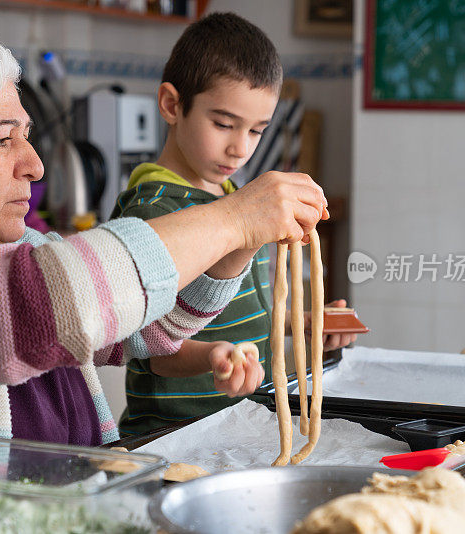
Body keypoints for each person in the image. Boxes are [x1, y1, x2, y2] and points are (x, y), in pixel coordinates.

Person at [0, 29, 328, 533]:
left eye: (28, 137)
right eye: (5, 140)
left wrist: (242, 241)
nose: (35, 165)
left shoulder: (16, 249)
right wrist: (231, 217)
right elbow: (37, 305)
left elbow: (155, 325)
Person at [112, 13, 356, 437]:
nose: (239, 147)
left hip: (238, 425)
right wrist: (215, 356)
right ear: (172, 105)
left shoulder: (235, 198)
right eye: (223, 124)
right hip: (172, 433)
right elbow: (150, 348)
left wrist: (303, 320)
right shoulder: (153, 211)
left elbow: (248, 311)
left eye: (257, 130)